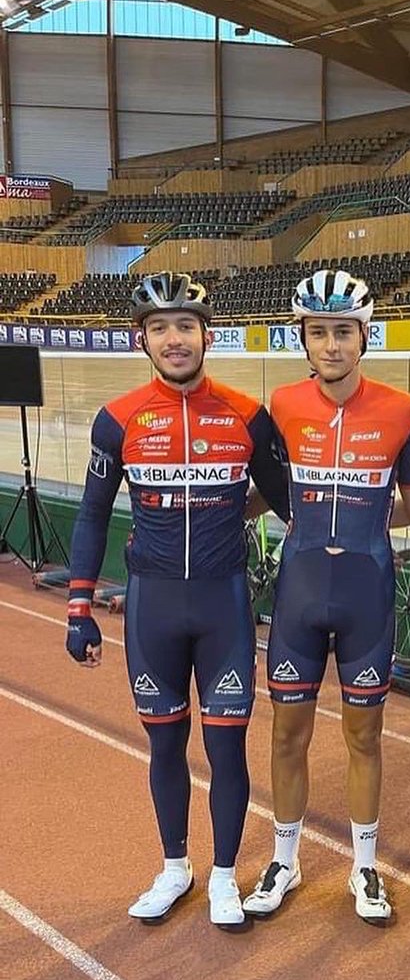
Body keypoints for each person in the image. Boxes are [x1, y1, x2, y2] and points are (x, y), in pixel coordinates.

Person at [242, 268, 410, 925]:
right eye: (320, 332)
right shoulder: (280, 406)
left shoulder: (402, 411)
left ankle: (364, 868)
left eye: (344, 331)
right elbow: (263, 493)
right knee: (288, 734)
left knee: (365, 735)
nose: (332, 344)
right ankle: (285, 860)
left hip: (368, 593)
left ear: (364, 336)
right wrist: (208, 512)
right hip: (299, 596)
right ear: (302, 338)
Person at [65, 272, 290, 929]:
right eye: (160, 327)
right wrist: (78, 607)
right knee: (165, 748)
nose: (174, 338)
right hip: (152, 611)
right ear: (143, 339)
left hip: (224, 609)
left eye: (185, 326)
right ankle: (174, 867)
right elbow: (91, 516)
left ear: (207, 336)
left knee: (227, 750)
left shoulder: (248, 416)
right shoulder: (118, 420)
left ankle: (224, 875)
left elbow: (290, 502)